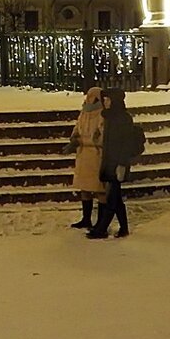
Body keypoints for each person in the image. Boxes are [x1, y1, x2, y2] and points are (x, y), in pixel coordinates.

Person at [88, 88, 140, 239]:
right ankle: (123, 228)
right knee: (116, 199)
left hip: (117, 163)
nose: (105, 102)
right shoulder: (110, 117)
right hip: (110, 161)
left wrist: (122, 164)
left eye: (108, 100)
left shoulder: (123, 119)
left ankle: (102, 229)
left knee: (112, 199)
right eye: (104, 100)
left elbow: (125, 144)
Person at [67, 86, 105, 229]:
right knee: (85, 189)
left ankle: (100, 222)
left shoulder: (102, 114)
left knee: (100, 189)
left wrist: (91, 140)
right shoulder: (84, 112)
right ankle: (86, 219)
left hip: (96, 156)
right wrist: (74, 139)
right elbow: (77, 128)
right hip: (83, 155)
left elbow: (103, 136)